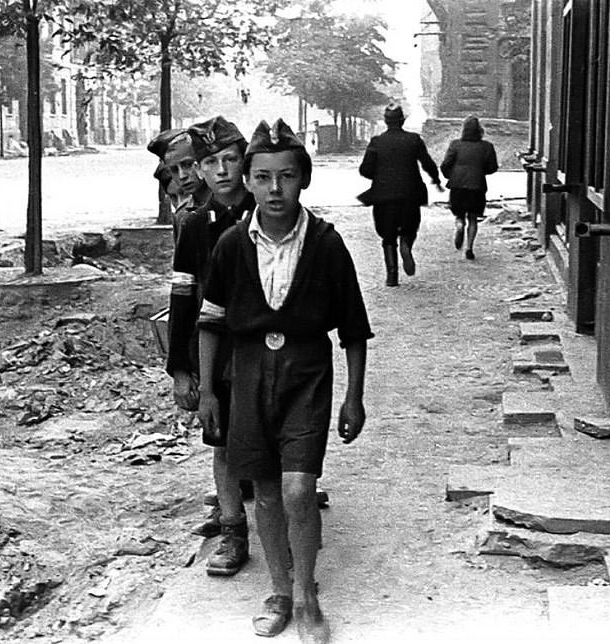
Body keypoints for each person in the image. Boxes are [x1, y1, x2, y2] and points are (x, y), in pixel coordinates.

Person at [198, 119, 372, 644]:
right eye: (264, 177)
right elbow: (210, 321)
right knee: (269, 494)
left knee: (299, 490)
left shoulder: (324, 243)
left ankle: (307, 598)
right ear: (247, 182)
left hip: (306, 374)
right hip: (247, 376)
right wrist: (208, 391)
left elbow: (354, 329)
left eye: (287, 176)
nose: (276, 190)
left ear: (304, 180)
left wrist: (354, 397)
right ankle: (279, 591)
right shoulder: (231, 244)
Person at [167, 115, 255, 575]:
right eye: (210, 163)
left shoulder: (268, 210)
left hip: (263, 347)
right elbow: (182, 297)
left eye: (230, 159)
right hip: (214, 347)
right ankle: (233, 531)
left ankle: (283, 521)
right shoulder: (195, 223)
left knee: (269, 436)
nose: (221, 171)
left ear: (244, 162)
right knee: (220, 441)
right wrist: (182, 369)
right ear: (199, 170)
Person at [358, 103, 442, 286]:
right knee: (410, 227)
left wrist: (380, 174)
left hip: (383, 194)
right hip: (410, 193)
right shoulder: (414, 140)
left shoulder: (376, 142)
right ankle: (406, 245)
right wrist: (436, 180)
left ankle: (392, 275)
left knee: (387, 236)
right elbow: (427, 163)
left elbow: (365, 170)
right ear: (402, 120)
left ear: (386, 121)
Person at [440, 115, 499, 260]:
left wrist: (451, 176)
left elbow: (445, 164)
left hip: (457, 185)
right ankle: (469, 248)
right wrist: (480, 171)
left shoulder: (455, 145)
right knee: (473, 218)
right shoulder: (487, 146)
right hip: (477, 185)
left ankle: (459, 225)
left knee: (459, 214)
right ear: (480, 130)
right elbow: (492, 167)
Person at [148, 129, 212, 237]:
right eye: (174, 170)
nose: (182, 176)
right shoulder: (183, 216)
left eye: (188, 165)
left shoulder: (228, 202)